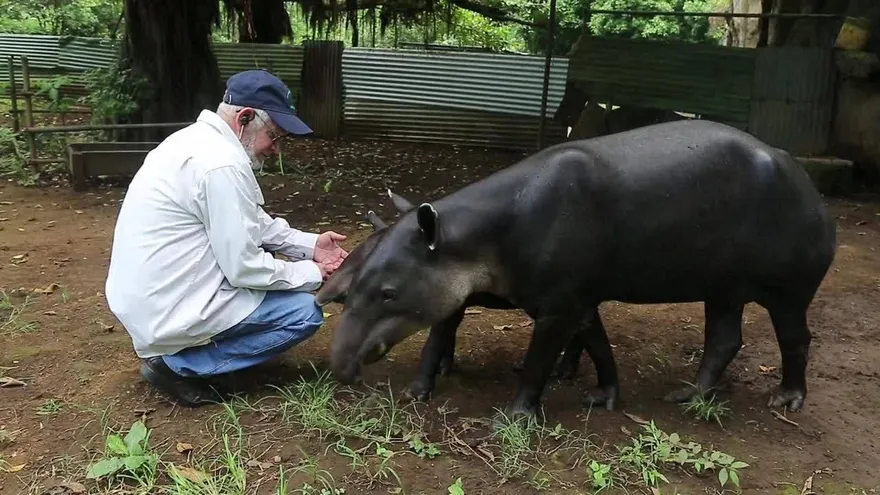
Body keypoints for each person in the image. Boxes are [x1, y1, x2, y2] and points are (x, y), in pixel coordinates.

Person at [104, 69, 348, 407]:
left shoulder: (195, 142)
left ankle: (191, 351)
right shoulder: (221, 167)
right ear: (245, 118)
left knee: (278, 295)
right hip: (171, 304)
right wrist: (311, 274)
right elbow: (244, 268)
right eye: (274, 137)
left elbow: (250, 222)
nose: (275, 150)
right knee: (303, 312)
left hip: (154, 295)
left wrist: (310, 245)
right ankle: (180, 365)